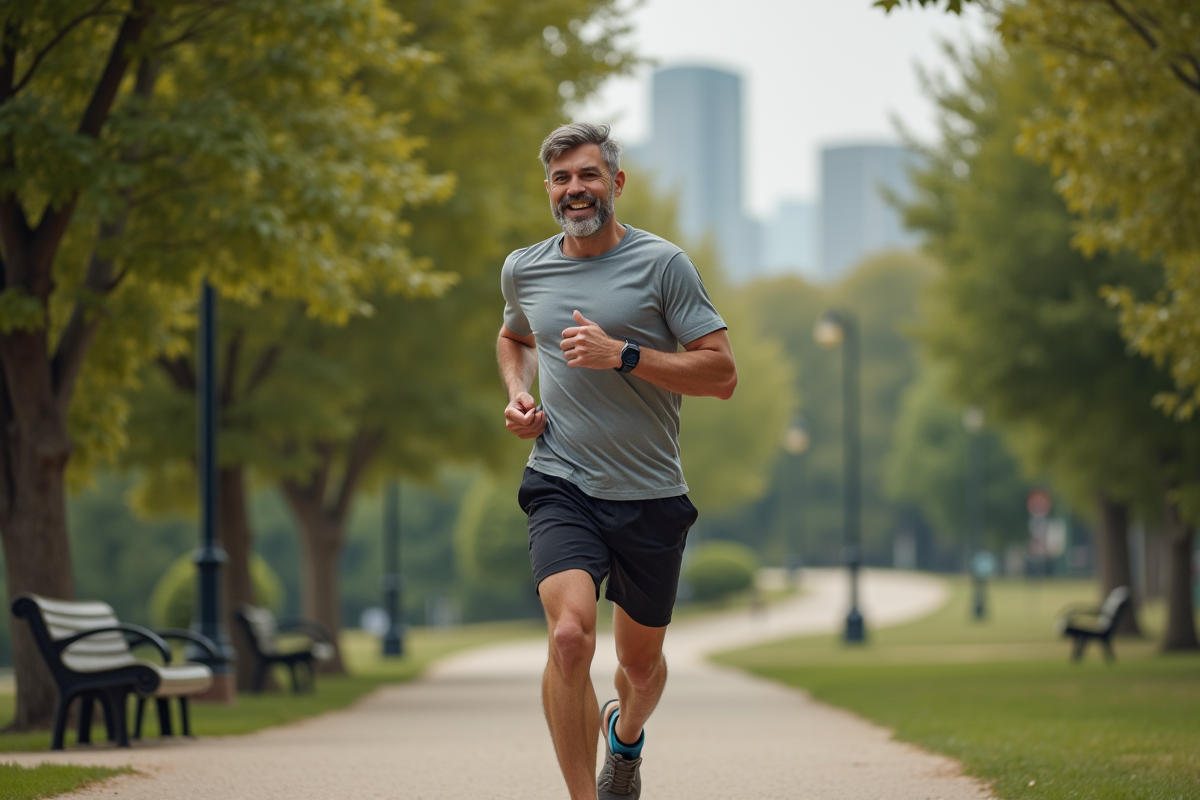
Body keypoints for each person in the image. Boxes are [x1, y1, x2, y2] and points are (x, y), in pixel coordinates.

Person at [496, 122, 737, 800]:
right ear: (548, 188)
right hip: (561, 480)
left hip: (651, 493)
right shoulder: (525, 267)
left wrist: (624, 354)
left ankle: (624, 736)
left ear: (616, 184)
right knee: (570, 637)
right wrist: (519, 394)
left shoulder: (664, 266)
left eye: (589, 175)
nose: (576, 189)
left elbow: (721, 374)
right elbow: (514, 335)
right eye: (562, 177)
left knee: (639, 669)